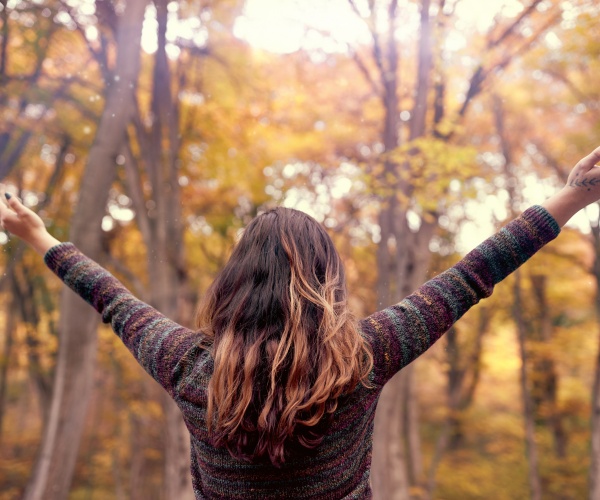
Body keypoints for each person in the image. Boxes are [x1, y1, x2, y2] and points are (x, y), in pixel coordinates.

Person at [1, 146, 599, 499]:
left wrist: (38, 235)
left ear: (233, 285)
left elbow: (109, 298)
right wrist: (570, 198)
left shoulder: (187, 365)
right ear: (327, 283)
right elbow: (474, 273)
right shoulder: (367, 355)